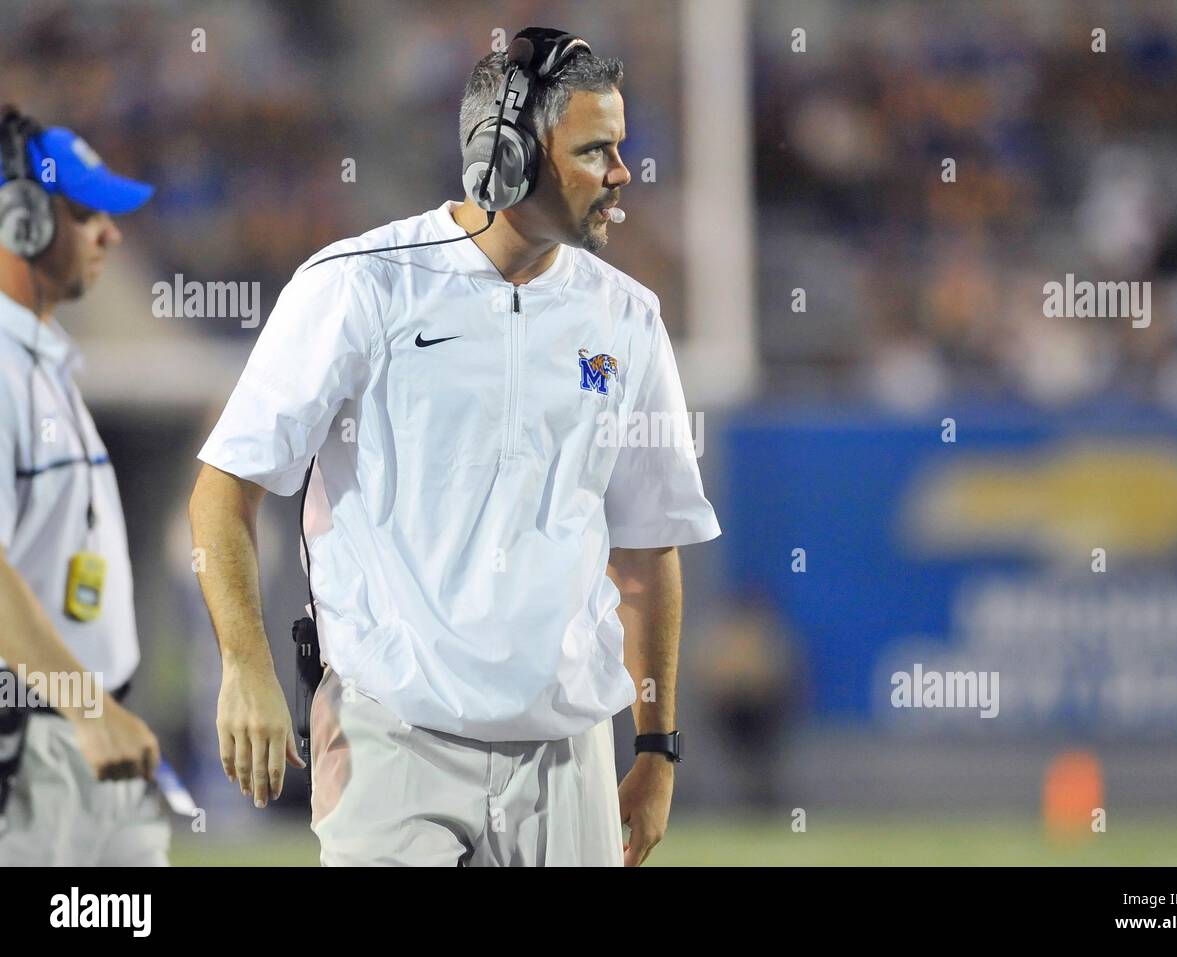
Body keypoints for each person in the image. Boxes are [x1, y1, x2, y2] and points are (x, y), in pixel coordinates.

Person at [189, 27, 721, 866]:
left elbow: (648, 548)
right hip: (392, 735)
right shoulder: (359, 286)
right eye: (596, 150)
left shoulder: (627, 317)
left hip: (565, 750)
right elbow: (225, 486)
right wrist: (243, 663)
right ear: (503, 158)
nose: (623, 175)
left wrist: (656, 747)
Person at [0, 106, 169, 865]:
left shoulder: (43, 359)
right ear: (20, 218)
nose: (112, 233)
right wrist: (88, 707)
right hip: (31, 750)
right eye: (85, 212)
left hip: (88, 739)